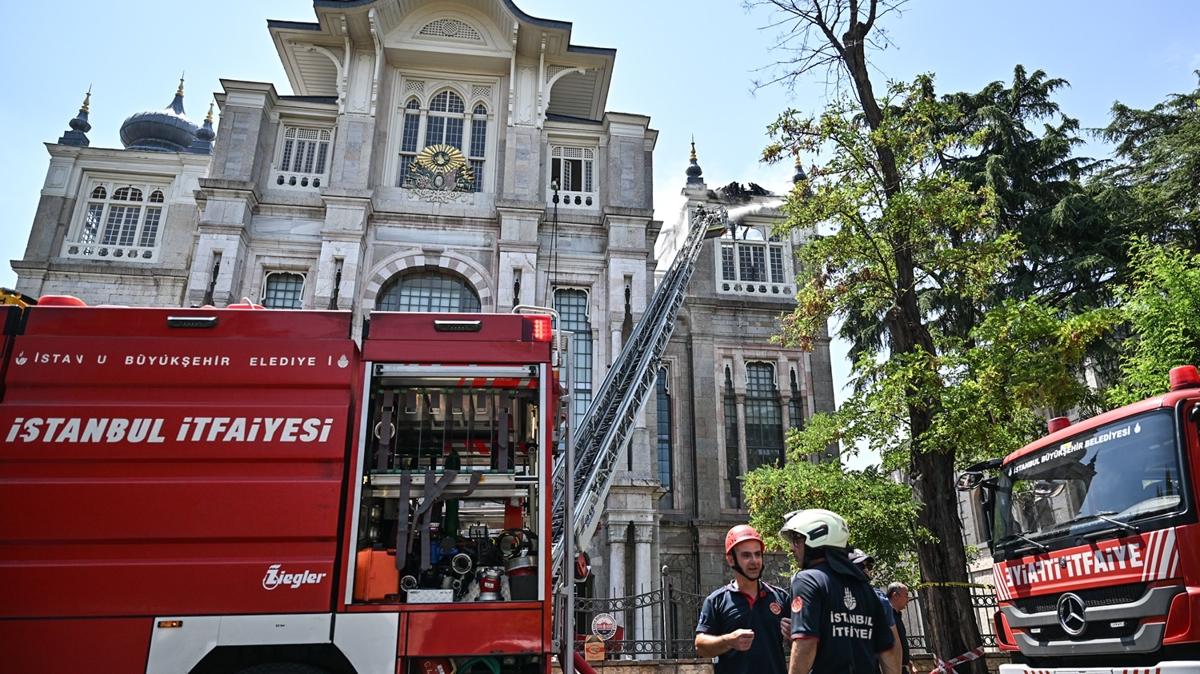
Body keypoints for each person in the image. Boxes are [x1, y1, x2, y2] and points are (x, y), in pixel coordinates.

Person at [779, 509, 898, 674]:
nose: (792, 548)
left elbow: (805, 643)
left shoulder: (807, 580)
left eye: (797, 540)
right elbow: (888, 649)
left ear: (816, 537)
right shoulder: (865, 588)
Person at [695, 524, 792, 674]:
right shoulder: (716, 601)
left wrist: (795, 636)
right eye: (746, 555)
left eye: (758, 554)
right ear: (731, 559)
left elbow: (805, 644)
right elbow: (700, 646)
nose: (754, 561)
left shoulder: (781, 598)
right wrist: (728, 641)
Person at [849, 549, 902, 674]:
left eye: (869, 566)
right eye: (862, 565)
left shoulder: (879, 600)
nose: (867, 570)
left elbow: (893, 644)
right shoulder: (830, 594)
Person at [886, 582, 915, 674]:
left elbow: (901, 642)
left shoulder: (897, 616)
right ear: (895, 595)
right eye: (906, 595)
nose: (908, 599)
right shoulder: (886, 616)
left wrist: (908, 662)